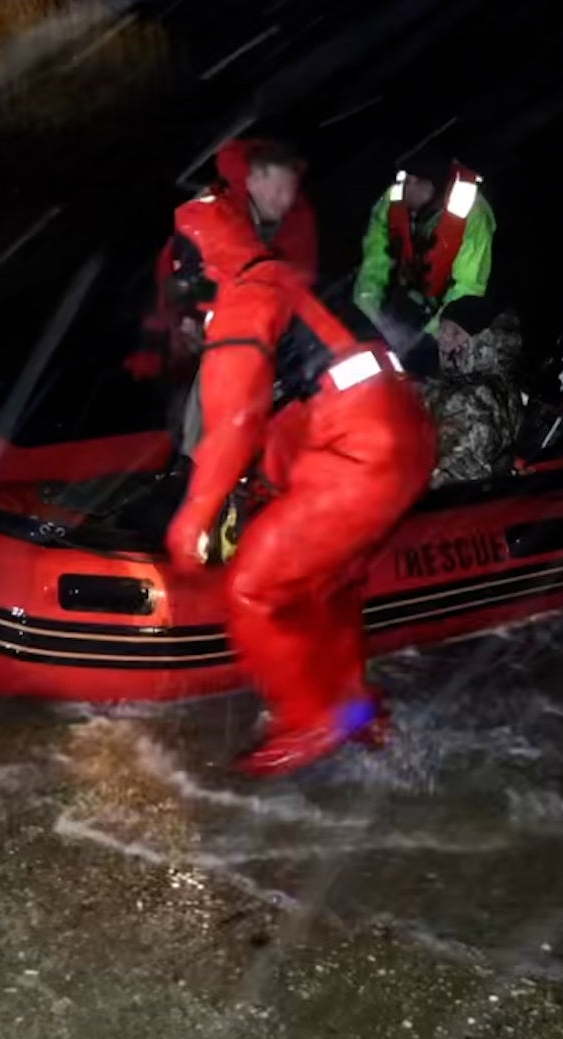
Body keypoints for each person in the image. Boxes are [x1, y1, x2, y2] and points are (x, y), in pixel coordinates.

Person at [163, 188, 435, 779]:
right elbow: (313, 392)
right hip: (407, 443)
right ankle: (359, 711)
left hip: (360, 457)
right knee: (330, 584)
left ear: (200, 265)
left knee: (252, 590)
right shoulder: (293, 279)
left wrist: (191, 521)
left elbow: (232, 427)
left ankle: (309, 719)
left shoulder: (243, 301)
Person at [126, 140, 319, 449]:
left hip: (271, 332)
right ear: (253, 181)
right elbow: (183, 280)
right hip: (216, 333)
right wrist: (191, 319)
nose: (285, 200)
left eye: (290, 191)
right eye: (278, 190)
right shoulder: (215, 215)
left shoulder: (296, 218)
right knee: (200, 417)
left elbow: (300, 277)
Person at [353, 151, 496, 377]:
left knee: (427, 374)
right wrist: (368, 317)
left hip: (441, 316)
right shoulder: (394, 200)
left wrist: (426, 336)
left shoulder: (474, 215)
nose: (403, 188)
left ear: (433, 184)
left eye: (412, 181)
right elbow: (374, 265)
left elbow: (468, 288)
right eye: (403, 179)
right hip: (402, 302)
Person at [426, 296, 525, 487]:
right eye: (443, 330)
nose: (444, 339)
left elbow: (457, 471)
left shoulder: (476, 399)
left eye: (455, 333)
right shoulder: (470, 383)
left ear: (483, 342)